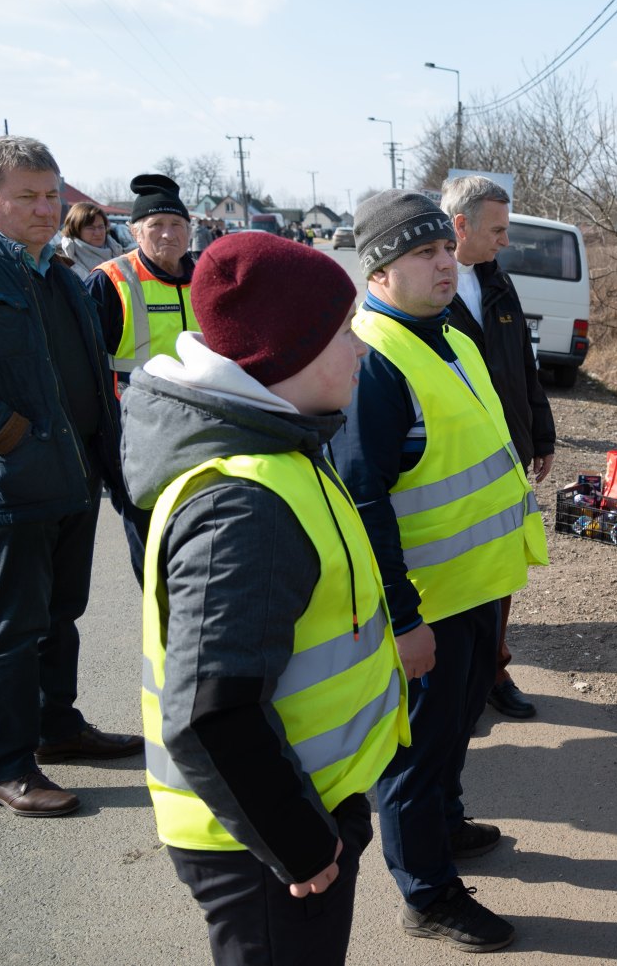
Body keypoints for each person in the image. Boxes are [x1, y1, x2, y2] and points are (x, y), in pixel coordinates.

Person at [122, 231, 412, 965]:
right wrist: (300, 842)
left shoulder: (285, 449)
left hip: (297, 802)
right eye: (344, 333)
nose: (361, 349)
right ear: (287, 355)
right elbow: (211, 711)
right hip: (263, 839)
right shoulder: (242, 505)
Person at [332, 190, 547, 954]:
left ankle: (445, 826)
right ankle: (426, 892)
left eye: (446, 249)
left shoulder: (448, 332)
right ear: (379, 272)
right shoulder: (374, 358)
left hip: (475, 588)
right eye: (422, 254)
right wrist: (402, 618)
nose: (444, 263)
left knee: (453, 730)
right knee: (416, 755)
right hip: (425, 603)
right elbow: (363, 501)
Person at [0, 136, 141, 818]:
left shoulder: (60, 272)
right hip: (8, 481)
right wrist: (9, 435)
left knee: (61, 612)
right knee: (14, 625)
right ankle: (7, 765)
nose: (46, 209)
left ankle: (57, 726)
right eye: (28, 197)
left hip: (73, 473)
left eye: (52, 195)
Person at [439, 175, 556, 721]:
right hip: (452, 460)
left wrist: (542, 433)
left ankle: (493, 670)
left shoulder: (498, 282)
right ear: (460, 225)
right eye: (498, 231)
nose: (506, 241)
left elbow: (523, 365)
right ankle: (450, 675)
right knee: (455, 571)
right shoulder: (429, 285)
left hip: (507, 452)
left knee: (502, 569)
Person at [85, 172, 201, 583]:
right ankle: (162, 613)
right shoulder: (110, 281)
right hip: (136, 434)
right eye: (156, 225)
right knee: (151, 542)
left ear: (190, 230)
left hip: (202, 428)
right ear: (135, 232)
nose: (168, 234)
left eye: (177, 224)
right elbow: (84, 366)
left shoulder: (208, 277)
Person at [57, 201, 129, 284]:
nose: (97, 233)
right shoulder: (64, 260)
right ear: (75, 229)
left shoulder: (119, 254)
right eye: (90, 228)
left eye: (101, 227)